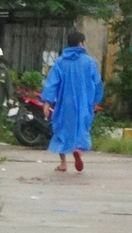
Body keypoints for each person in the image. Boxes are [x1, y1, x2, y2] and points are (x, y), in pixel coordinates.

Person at [43, 30, 103, 172]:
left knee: (61, 130)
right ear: (81, 43)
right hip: (84, 103)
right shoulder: (89, 62)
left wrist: (47, 102)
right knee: (82, 128)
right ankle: (78, 150)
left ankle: (63, 163)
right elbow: (97, 83)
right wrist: (95, 101)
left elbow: (52, 83)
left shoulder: (61, 62)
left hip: (65, 103)